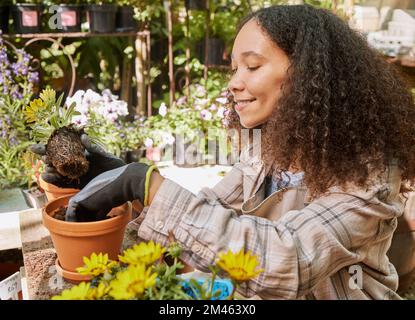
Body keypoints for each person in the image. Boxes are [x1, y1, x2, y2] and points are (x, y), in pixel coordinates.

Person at [31, 5, 415, 299]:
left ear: (308, 74)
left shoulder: (370, 175)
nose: (234, 83)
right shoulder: (268, 147)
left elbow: (288, 260)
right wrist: (121, 176)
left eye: (251, 66)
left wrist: (145, 185)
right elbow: (212, 212)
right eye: (234, 68)